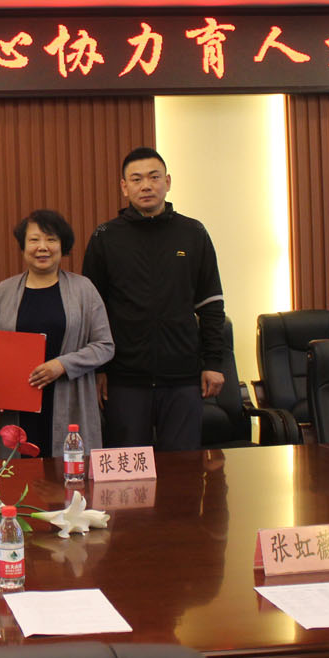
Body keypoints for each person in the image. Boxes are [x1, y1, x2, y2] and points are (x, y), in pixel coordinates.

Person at [82, 147, 225, 451]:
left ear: (167, 182)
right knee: (127, 468)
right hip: (124, 379)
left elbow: (211, 304)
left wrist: (213, 362)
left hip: (183, 376)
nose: (146, 185)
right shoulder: (105, 237)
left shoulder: (193, 232)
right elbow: (92, 312)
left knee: (183, 469)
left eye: (154, 177)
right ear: (124, 187)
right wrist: (98, 370)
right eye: (136, 179)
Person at [0, 210, 114, 456]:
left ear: (62, 245)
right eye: (34, 240)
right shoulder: (4, 291)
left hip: (69, 398)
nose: (42, 247)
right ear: (23, 246)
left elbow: (104, 345)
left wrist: (62, 365)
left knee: (69, 472)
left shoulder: (83, 289)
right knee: (19, 472)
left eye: (51, 239)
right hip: (16, 405)